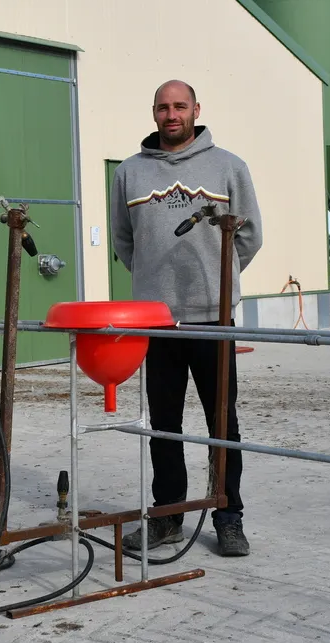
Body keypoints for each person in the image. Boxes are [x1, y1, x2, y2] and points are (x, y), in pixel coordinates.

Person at [109, 79, 262, 557]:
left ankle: (228, 515)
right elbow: (123, 239)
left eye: (179, 106)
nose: (171, 115)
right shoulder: (129, 173)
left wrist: (219, 286)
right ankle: (167, 517)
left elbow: (249, 237)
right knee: (164, 422)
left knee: (223, 421)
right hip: (156, 322)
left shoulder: (229, 167)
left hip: (212, 319)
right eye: (162, 107)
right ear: (153, 113)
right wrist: (156, 287)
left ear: (196, 109)